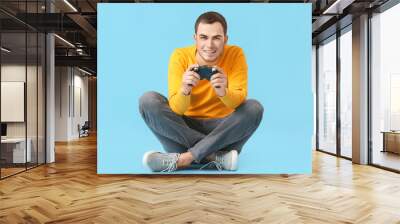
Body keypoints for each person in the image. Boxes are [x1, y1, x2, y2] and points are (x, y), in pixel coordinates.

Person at [139, 11, 263, 172]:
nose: (209, 45)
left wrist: (223, 92)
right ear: (195, 38)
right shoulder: (180, 56)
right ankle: (215, 156)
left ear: (225, 39)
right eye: (204, 37)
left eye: (216, 38)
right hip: (183, 130)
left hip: (223, 130)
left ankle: (184, 159)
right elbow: (178, 109)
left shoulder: (235, 53)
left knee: (254, 108)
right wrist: (184, 90)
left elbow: (238, 102)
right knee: (148, 100)